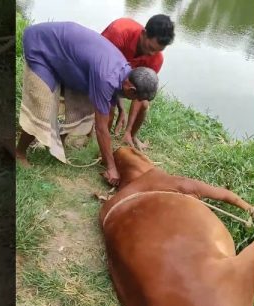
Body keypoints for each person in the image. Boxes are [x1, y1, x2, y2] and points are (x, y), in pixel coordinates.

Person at [11, 21, 159, 186]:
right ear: (131, 90)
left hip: (66, 53)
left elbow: (108, 106)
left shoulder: (123, 72)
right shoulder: (108, 77)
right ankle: (19, 152)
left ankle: (57, 140)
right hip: (43, 46)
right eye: (135, 98)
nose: (134, 102)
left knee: (83, 104)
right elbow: (101, 128)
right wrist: (112, 167)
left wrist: (120, 112)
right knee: (42, 106)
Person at [101, 14, 175, 150]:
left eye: (158, 50)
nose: (152, 54)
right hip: (104, 74)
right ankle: (103, 143)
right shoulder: (119, 32)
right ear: (143, 34)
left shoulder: (156, 58)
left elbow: (140, 94)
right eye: (151, 48)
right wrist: (121, 108)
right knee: (108, 107)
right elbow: (104, 75)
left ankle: (130, 136)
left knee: (144, 104)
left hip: (128, 83)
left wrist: (128, 130)